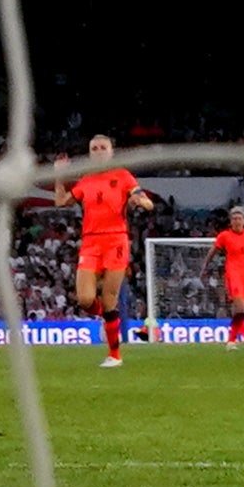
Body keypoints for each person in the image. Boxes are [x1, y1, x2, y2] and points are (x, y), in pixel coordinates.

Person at [51, 136, 153, 368]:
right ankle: (106, 320)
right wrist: (59, 176)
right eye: (94, 148)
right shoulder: (85, 181)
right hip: (90, 243)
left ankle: (114, 355)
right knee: (85, 300)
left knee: (109, 300)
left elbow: (147, 201)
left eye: (102, 148)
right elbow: (60, 202)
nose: (98, 151)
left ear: (111, 152)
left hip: (116, 241)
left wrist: (141, 202)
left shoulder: (123, 176)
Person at [211, 203, 244, 349]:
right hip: (233, 274)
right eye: (234, 218)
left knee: (239, 310)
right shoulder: (224, 236)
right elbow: (212, 251)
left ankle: (231, 341)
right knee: (242, 308)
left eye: (240, 218)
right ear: (230, 221)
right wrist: (205, 266)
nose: (237, 221)